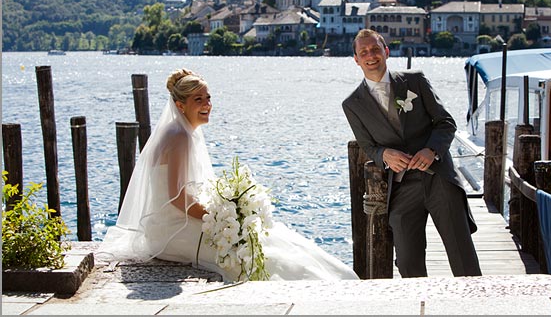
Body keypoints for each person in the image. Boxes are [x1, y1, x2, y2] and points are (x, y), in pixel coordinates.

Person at [98, 68, 358, 282]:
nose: (207, 105)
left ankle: (332, 282)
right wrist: (221, 220)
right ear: (180, 105)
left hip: (177, 224)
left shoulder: (182, 132)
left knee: (271, 237)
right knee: (258, 250)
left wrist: (230, 213)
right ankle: (326, 285)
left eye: (208, 98)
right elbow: (177, 198)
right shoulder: (178, 136)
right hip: (173, 232)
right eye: (198, 100)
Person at [342, 29, 481, 278]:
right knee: (407, 262)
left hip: (438, 178)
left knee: (462, 254)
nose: (370, 55)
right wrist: (385, 155)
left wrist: (432, 150)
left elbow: (446, 122)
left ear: (386, 51)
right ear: (356, 59)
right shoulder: (352, 104)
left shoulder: (414, 81)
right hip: (401, 187)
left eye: (375, 49)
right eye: (364, 52)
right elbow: (368, 146)